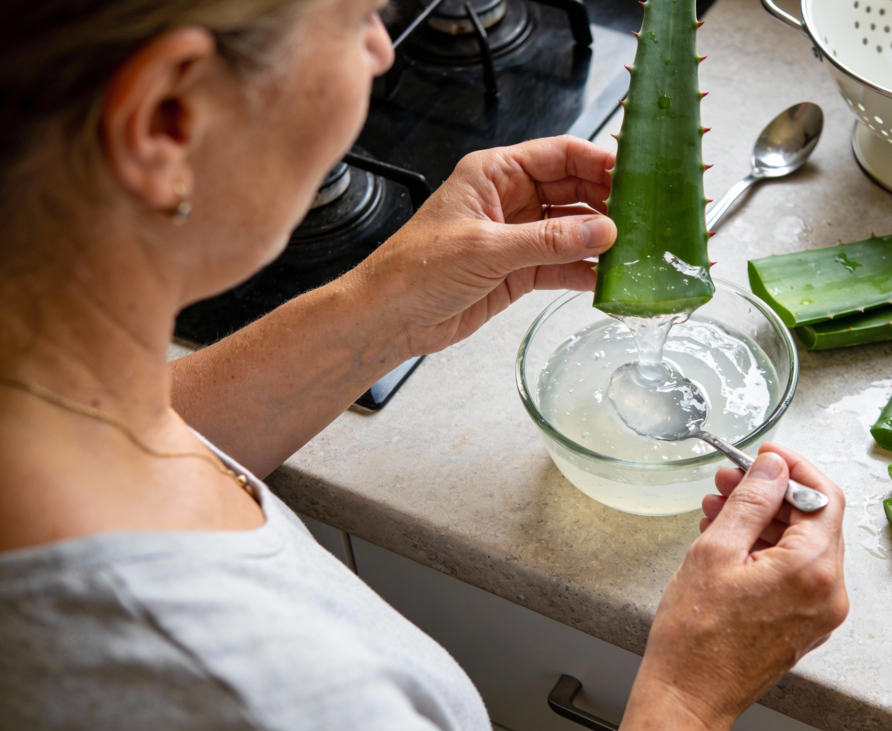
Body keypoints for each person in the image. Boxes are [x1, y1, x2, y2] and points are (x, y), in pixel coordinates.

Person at [0, 1, 848, 729]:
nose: (378, 51)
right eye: (354, 16)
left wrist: (382, 306)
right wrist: (690, 694)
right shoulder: (263, 691)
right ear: (165, 120)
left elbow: (150, 443)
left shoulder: (48, 399)